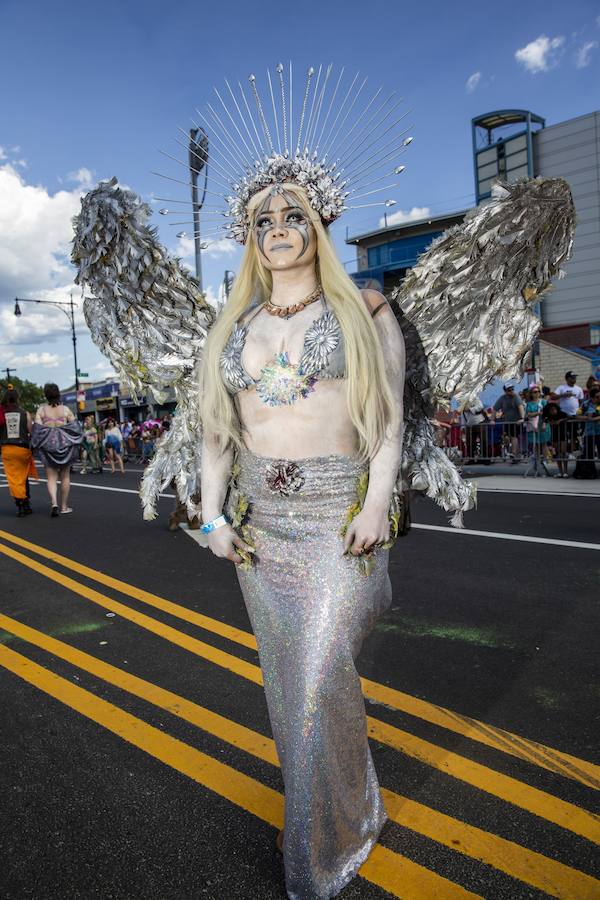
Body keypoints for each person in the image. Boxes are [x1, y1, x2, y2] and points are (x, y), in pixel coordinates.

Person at [199, 178, 404, 897]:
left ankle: (319, 860)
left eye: (294, 216)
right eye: (264, 220)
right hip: (262, 529)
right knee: (297, 690)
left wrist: (376, 504)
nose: (279, 228)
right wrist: (211, 515)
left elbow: (387, 419)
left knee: (316, 679)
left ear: (316, 227)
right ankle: (352, 811)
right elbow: (217, 434)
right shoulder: (234, 326)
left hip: (335, 520)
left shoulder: (365, 310)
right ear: (251, 237)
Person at [31, 383, 82, 516]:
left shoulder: (41, 410)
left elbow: (37, 430)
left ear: (46, 395)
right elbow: (76, 427)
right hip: (64, 447)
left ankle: (54, 503)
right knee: (65, 477)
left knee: (51, 478)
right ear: (58, 394)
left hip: (48, 447)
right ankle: (64, 507)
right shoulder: (65, 410)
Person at [0, 385, 38, 516]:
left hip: (7, 449)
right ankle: (26, 504)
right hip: (22, 449)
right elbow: (30, 431)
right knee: (23, 477)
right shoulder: (25, 413)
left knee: (13, 478)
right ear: (17, 399)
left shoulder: (1, 413)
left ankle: (20, 505)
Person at [572, 385, 600, 479]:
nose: (599, 398)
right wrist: (587, 418)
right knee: (589, 454)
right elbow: (577, 416)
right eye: (597, 397)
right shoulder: (585, 404)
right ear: (592, 397)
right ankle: (591, 472)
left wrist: (596, 418)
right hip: (589, 432)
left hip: (599, 432)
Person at [493, 384, 525, 462]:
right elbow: (495, 408)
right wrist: (492, 419)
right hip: (507, 421)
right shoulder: (502, 398)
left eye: (512, 389)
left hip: (516, 421)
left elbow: (520, 407)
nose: (511, 391)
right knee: (507, 437)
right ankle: (515, 453)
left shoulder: (516, 397)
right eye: (509, 390)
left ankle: (514, 453)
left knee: (514, 436)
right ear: (505, 391)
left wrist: (522, 418)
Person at [523, 386, 551, 476]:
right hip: (533, 426)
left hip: (543, 425)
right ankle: (537, 463)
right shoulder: (529, 404)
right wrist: (538, 413)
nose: (536, 393)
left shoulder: (543, 402)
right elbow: (528, 414)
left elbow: (547, 413)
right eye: (534, 392)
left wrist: (545, 423)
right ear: (531, 394)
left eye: (538, 391)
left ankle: (545, 462)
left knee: (544, 444)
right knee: (536, 445)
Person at [542, 399, 570, 477]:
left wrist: (560, 421)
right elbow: (544, 420)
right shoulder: (548, 416)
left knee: (564, 453)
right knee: (558, 454)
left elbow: (569, 417)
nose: (553, 411)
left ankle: (566, 471)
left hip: (563, 434)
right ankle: (560, 471)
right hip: (554, 436)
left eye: (554, 409)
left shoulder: (562, 414)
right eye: (551, 410)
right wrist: (547, 423)